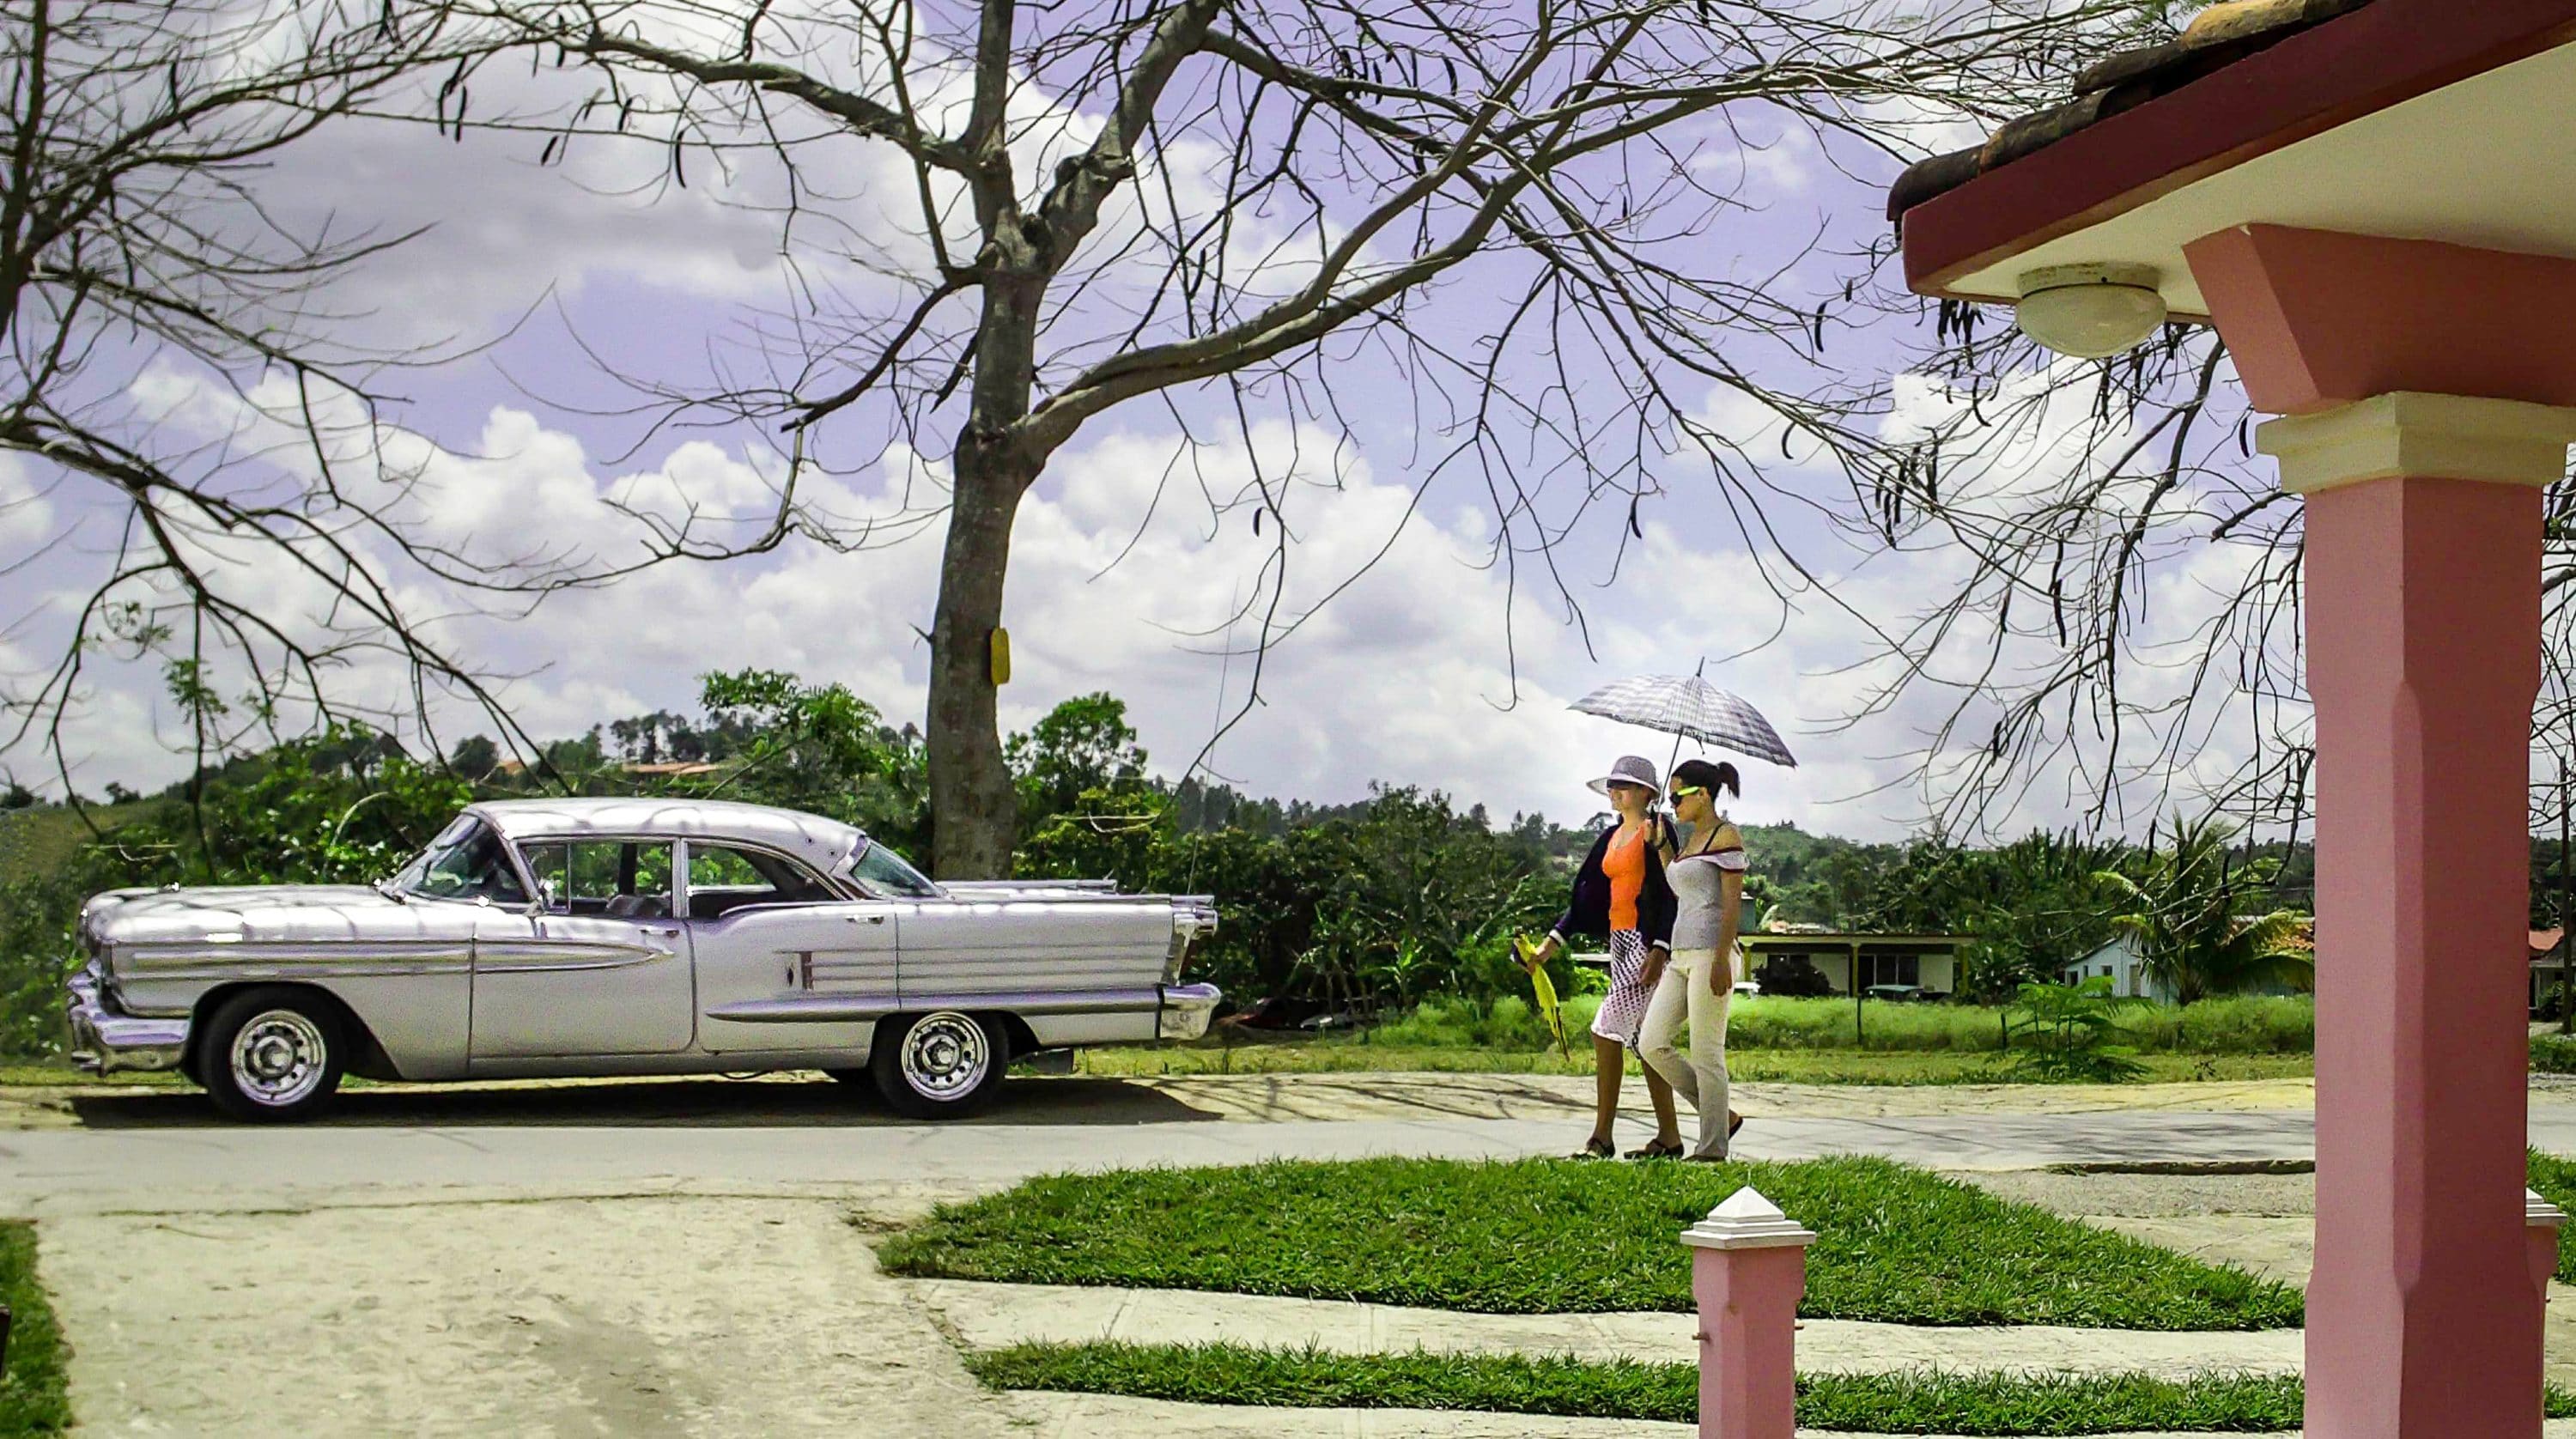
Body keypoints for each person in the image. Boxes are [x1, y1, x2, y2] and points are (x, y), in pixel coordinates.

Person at [1522, 754, 1684, 1159]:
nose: (1614, 792)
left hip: (1645, 945)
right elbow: (1584, 897)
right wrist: (1547, 947)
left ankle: (1602, 1138)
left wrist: (1660, 947)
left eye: (1623, 786)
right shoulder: (1610, 837)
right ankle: (1669, 1137)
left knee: (1605, 1029)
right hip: (1619, 942)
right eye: (1612, 786)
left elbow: (1670, 892)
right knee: (1645, 1042)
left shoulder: (1658, 832)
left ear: (1645, 793)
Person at [1639, 758, 1748, 1161]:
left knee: (1706, 1053)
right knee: (1651, 1042)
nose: (1673, 805)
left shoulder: (1725, 835)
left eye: (1677, 797)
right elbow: (1680, 887)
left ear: (1703, 795)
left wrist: (1721, 958)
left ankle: (1712, 1148)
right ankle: (1721, 1116)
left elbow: (1731, 906)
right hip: (1681, 954)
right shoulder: (1690, 842)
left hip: (1711, 954)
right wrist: (1661, 846)